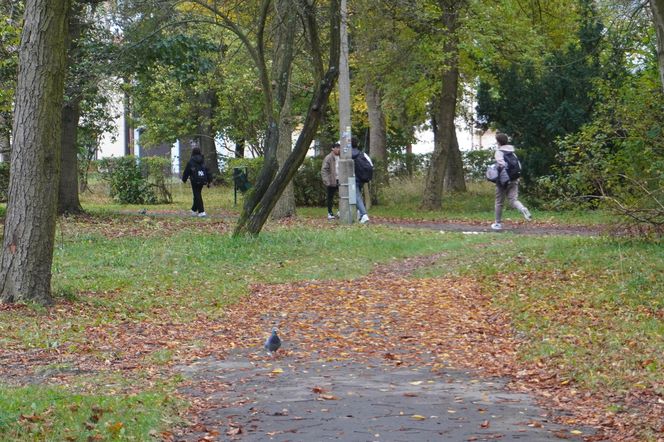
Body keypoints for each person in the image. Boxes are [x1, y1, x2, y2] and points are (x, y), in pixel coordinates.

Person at [491, 132, 531, 230]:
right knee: (513, 200)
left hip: (503, 181)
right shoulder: (512, 152)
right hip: (514, 179)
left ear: (498, 142)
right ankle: (523, 209)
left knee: (499, 202)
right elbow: (519, 166)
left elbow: (501, 165)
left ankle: (497, 224)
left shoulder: (499, 152)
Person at [182, 143, 210, 217]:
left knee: (197, 195)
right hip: (202, 180)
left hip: (194, 180)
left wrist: (184, 179)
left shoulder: (191, 161)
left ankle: (202, 212)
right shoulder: (203, 161)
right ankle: (193, 210)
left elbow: (187, 171)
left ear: (193, 153)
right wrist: (209, 180)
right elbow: (207, 170)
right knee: (197, 194)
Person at [351, 137, 371, 224]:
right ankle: (359, 213)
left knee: (356, 196)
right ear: (357, 144)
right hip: (362, 177)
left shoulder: (347, 154)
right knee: (358, 195)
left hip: (354, 177)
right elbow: (371, 164)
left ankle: (364, 215)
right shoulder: (362, 154)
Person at [321, 142, 340, 220]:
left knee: (342, 196)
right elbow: (324, 170)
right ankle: (330, 212)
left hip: (340, 179)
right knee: (330, 197)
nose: (339, 149)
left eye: (339, 148)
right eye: (337, 147)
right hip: (332, 180)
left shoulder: (342, 156)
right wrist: (327, 181)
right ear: (333, 148)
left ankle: (340, 211)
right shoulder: (328, 157)